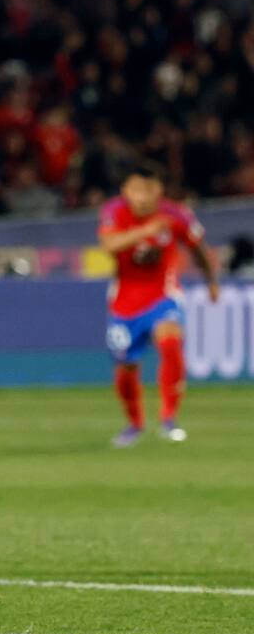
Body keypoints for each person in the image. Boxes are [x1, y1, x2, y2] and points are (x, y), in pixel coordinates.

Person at [99, 162, 219, 447]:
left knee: (170, 341)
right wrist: (145, 231)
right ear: (125, 191)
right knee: (125, 369)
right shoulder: (113, 212)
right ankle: (134, 424)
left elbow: (198, 249)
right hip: (124, 302)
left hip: (162, 295)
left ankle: (168, 419)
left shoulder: (176, 214)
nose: (142, 196)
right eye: (136, 189)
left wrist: (211, 281)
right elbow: (109, 245)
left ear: (160, 190)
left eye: (149, 189)